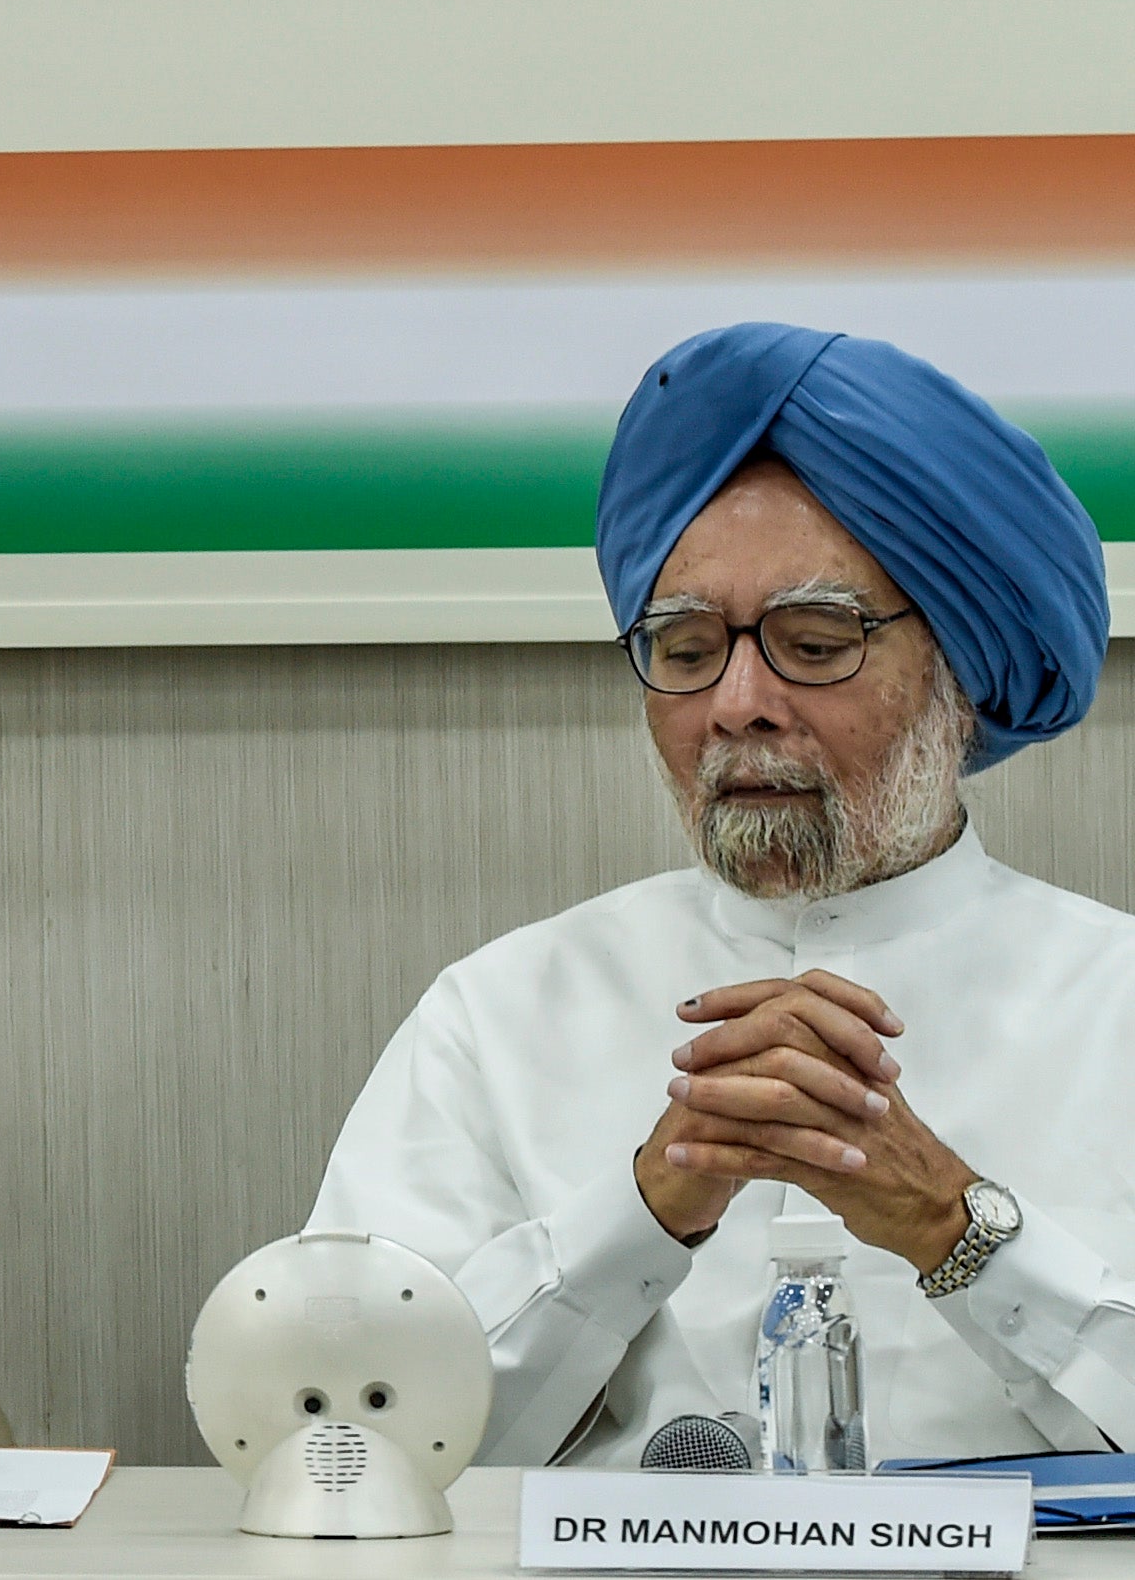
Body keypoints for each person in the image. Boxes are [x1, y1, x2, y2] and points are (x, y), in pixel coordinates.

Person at [313, 322, 1135, 1463]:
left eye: (813, 640)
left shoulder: (1118, 1006)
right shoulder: (502, 1012)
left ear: (960, 672)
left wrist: (959, 1229)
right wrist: (644, 1208)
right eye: (688, 648)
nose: (738, 701)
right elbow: (338, 1437)